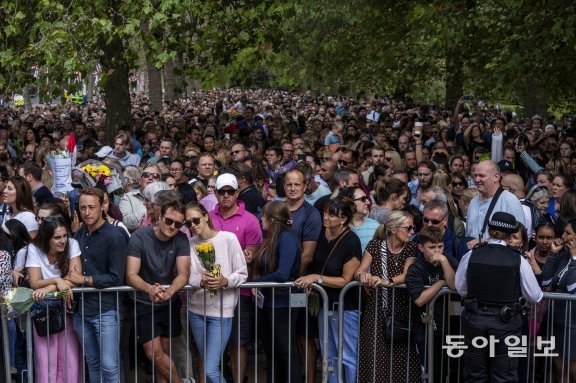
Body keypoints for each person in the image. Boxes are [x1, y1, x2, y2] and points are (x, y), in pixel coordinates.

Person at [455, 212, 543, 382]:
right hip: (505, 324)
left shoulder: (472, 255)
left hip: (474, 320)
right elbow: (534, 295)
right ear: (511, 235)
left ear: (489, 230)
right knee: (504, 376)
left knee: (475, 375)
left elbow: (461, 288)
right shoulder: (518, 260)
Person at [295, 198, 362, 383]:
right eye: (325, 213)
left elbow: (345, 280)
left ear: (343, 219)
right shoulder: (323, 233)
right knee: (328, 354)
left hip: (346, 307)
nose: (325, 217)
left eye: (332, 214)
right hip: (325, 304)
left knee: (347, 355)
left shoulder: (351, 241)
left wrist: (317, 278)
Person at [64, 188, 127, 383]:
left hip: (106, 309)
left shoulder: (114, 236)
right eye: (82, 207)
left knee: (109, 366)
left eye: (91, 207)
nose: (87, 212)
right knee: (92, 363)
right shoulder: (80, 234)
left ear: (102, 207)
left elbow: (117, 277)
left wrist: (84, 280)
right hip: (82, 310)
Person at [125, 200, 191, 383]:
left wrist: (169, 291)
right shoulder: (139, 237)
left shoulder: (181, 239)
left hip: (169, 302)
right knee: (154, 353)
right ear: (160, 217)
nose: (172, 226)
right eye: (169, 221)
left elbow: (184, 274)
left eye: (178, 224)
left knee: (164, 353)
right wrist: (149, 289)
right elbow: (130, 274)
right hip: (145, 303)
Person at [208, 173, 262, 383]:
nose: (226, 195)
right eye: (222, 192)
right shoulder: (208, 218)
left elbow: (253, 254)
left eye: (230, 191)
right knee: (210, 343)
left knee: (238, 341)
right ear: (215, 193)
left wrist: (249, 256)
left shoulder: (249, 220)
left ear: (238, 192)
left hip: (241, 290)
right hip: (211, 289)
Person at [186, 203, 248, 383]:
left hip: (221, 312)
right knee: (206, 365)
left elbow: (242, 272)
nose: (193, 225)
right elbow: (188, 276)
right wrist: (201, 280)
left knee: (210, 369)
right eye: (188, 223)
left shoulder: (228, 238)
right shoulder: (189, 244)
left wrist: (225, 281)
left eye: (196, 220)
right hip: (196, 310)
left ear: (206, 216)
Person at [355, 211, 419, 383]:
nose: (412, 231)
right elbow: (360, 270)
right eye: (408, 228)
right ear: (392, 229)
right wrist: (364, 277)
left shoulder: (412, 248)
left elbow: (407, 274)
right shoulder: (375, 245)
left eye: (413, 227)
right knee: (374, 358)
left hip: (402, 311)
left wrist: (386, 281)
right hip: (376, 311)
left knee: (404, 361)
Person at [26, 214, 82, 383]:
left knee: (70, 359)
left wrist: (50, 287)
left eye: (65, 235)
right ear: (46, 238)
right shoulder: (34, 248)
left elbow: (76, 278)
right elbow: (35, 282)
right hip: (43, 308)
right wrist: (57, 280)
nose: (63, 240)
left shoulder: (73, 244)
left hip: (68, 307)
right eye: (57, 237)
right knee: (46, 361)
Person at [252, 201, 303, 383]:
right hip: (270, 302)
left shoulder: (287, 239)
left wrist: (254, 283)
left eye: (264, 216)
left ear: (272, 220)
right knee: (272, 350)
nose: (261, 219)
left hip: (284, 302)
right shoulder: (271, 239)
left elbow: (283, 274)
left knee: (286, 350)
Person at [406, 226, 458, 383]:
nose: (437, 251)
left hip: (448, 325)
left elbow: (454, 285)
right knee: (430, 370)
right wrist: (440, 284)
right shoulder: (416, 268)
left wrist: (443, 261)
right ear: (421, 247)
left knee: (449, 368)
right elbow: (420, 299)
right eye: (432, 247)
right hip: (425, 325)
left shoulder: (449, 261)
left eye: (440, 246)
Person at [541, 218, 576, 381]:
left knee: (572, 372)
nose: (562, 236)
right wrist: (554, 255)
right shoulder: (564, 255)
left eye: (568, 233)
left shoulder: (572, 257)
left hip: (573, 325)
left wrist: (575, 259)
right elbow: (547, 281)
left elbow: (572, 288)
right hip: (557, 323)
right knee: (559, 369)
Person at [465, 160, 525, 243]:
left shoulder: (510, 200)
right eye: (475, 175)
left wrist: (483, 242)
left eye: (481, 176)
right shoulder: (473, 202)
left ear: (496, 177)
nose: (477, 179)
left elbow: (518, 237)